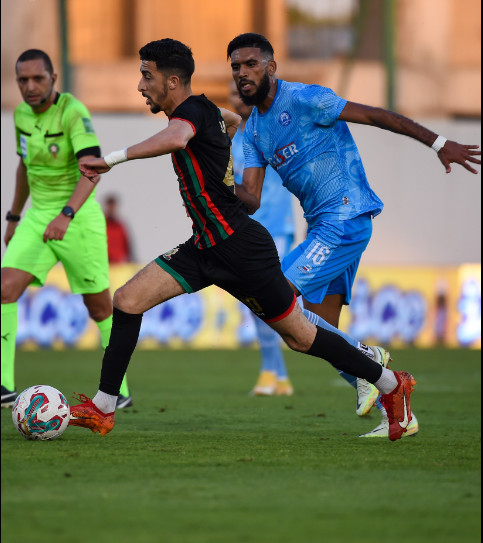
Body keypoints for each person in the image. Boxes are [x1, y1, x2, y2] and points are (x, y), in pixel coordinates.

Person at [68, 38, 417, 442]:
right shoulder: (204, 112)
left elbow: (177, 139)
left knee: (300, 337)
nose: (141, 85)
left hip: (240, 248)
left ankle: (391, 384)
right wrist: (225, 161)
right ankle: (103, 407)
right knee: (126, 300)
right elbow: (232, 120)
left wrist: (110, 160)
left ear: (172, 80)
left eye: (147, 76)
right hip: (204, 247)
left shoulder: (191, 112)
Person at [226, 33, 480, 437]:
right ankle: (397, 412)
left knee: (276, 295)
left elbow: (377, 116)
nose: (243, 73)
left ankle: (370, 361)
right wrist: (216, 167)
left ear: (271, 67)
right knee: (310, 334)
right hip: (323, 226)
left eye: (251, 64)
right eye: (236, 67)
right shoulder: (255, 132)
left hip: (345, 216)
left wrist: (438, 142)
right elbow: (250, 199)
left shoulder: (306, 99)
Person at [0, 49, 132, 410]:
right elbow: (24, 167)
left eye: (37, 79)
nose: (29, 86)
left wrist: (67, 214)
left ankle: (118, 389)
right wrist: (13, 218)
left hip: (78, 218)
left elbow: (92, 169)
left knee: (99, 306)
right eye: (22, 80)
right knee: (3, 289)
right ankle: (3, 385)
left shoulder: (73, 112)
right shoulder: (21, 115)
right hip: (37, 217)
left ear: (53, 79)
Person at [229, 80, 295, 396]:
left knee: (270, 301)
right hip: (247, 231)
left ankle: (273, 372)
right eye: (230, 94)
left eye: (237, 92)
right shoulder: (230, 141)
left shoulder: (268, 133)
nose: (234, 98)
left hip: (276, 228)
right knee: (256, 304)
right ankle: (275, 374)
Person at [103, 194, 134, 264]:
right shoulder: (102, 225)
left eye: (113, 206)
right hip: (105, 263)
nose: (111, 209)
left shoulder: (120, 226)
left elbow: (128, 247)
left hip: (118, 265)